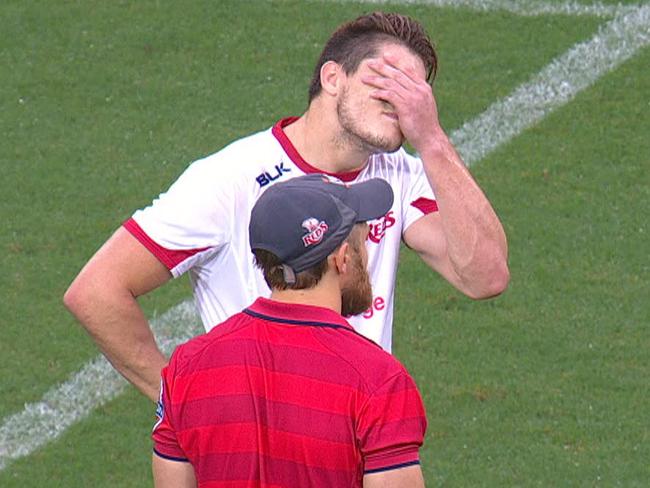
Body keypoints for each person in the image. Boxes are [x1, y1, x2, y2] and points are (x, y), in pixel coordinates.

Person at [64, 11, 509, 402]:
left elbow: (485, 275)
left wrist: (431, 139)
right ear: (333, 78)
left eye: (415, 90)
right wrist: (184, 405)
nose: (402, 100)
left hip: (355, 445)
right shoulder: (228, 179)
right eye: (386, 80)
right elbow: (97, 291)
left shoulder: (400, 174)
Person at [152, 174, 427, 487]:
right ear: (341, 258)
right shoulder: (378, 381)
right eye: (362, 243)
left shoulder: (186, 367)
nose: (366, 255)